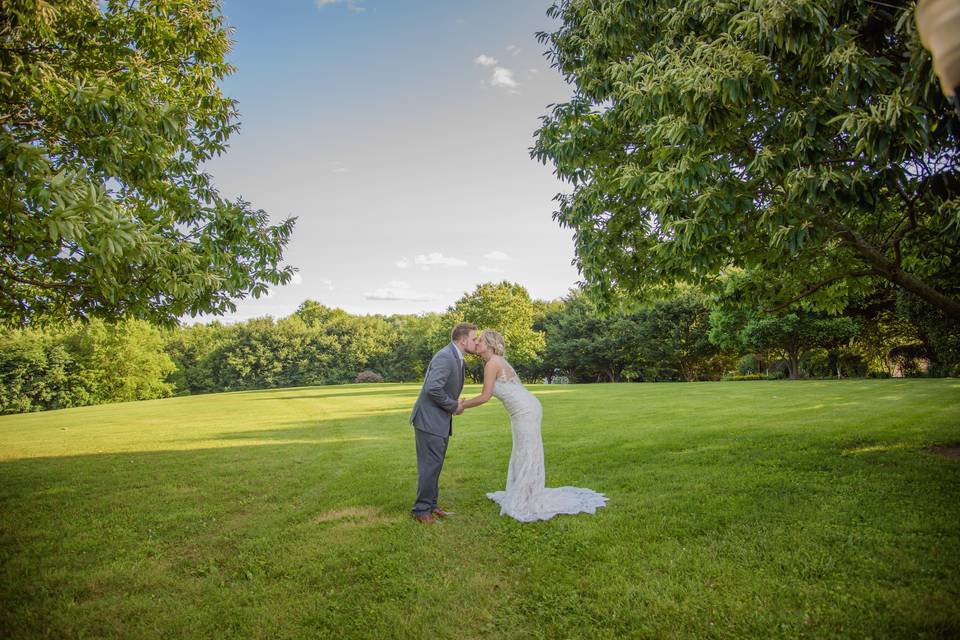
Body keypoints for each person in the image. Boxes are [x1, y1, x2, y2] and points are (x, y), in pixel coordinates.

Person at [461, 330, 607, 522]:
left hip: (525, 411)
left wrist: (461, 405)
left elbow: (485, 396)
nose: (477, 343)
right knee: (525, 451)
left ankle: (527, 499)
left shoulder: (492, 363)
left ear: (488, 344)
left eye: (480, 340)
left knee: (526, 451)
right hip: (526, 409)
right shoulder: (495, 362)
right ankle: (526, 494)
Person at [409, 322, 478, 524]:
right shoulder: (446, 357)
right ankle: (421, 511)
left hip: (438, 420)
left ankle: (431, 505)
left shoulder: (455, 356)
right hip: (429, 421)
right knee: (430, 466)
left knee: (435, 465)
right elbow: (433, 389)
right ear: (463, 340)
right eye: (474, 339)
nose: (477, 342)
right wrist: (453, 406)